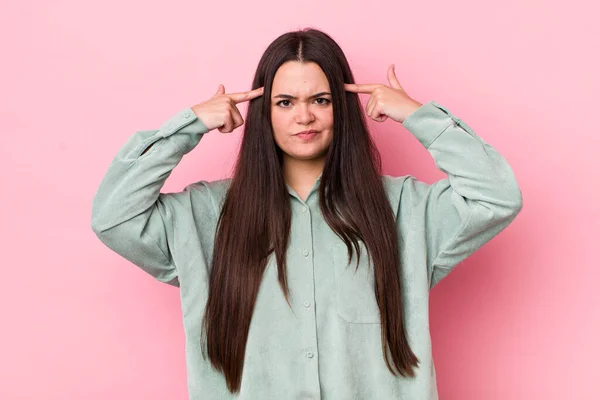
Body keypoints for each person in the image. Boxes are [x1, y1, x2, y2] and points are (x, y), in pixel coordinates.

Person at [91, 28, 523, 400]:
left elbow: (497, 196)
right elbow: (114, 216)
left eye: (321, 99)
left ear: (343, 106)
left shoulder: (405, 210)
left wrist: (417, 115)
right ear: (264, 112)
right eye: (284, 102)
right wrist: (188, 126)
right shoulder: (206, 216)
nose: (304, 116)